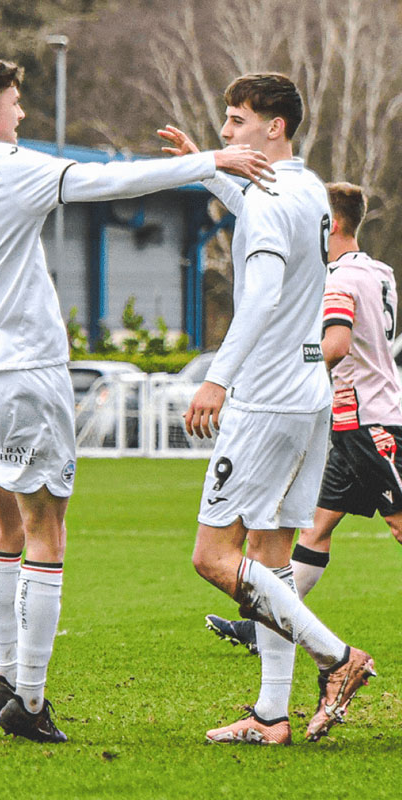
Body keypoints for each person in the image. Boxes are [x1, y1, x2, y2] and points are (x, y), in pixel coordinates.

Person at [0, 52, 272, 743]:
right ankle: (29, 700)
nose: (25, 116)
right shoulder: (14, 166)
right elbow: (107, 179)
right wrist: (210, 161)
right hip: (28, 372)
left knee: (5, 526)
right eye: (17, 103)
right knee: (46, 529)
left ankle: (7, 674)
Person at [159, 75, 375, 746]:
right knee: (270, 555)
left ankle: (338, 659)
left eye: (236, 121)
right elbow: (260, 204)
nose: (227, 132)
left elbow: (258, 296)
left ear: (273, 127)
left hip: (266, 399)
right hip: (308, 397)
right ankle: (272, 715)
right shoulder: (306, 189)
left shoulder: (269, 201)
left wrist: (217, 379)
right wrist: (208, 169)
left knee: (213, 555)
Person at [205, 181, 402, 654]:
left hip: (367, 422)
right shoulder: (380, 271)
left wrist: (296, 372)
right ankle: (269, 624)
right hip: (358, 418)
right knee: (315, 530)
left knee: (400, 522)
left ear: (331, 224)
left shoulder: (336, 278)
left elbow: (335, 343)